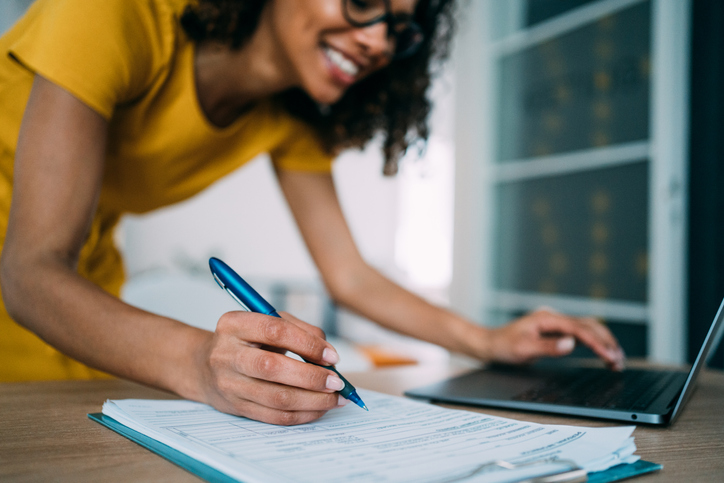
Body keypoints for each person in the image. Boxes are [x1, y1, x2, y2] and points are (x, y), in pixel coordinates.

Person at [0, 0, 624, 425]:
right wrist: (199, 362)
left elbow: (349, 277)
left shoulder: (288, 118)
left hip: (82, 282)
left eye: (399, 29)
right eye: (361, 1)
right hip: (40, 279)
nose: (380, 40)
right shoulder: (113, 11)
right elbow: (30, 270)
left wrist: (488, 339)